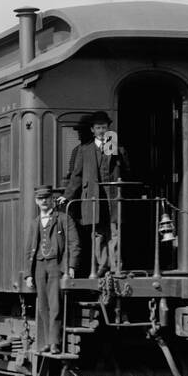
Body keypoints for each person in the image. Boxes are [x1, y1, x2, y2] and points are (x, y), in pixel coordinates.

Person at [25, 185, 81, 376]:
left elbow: (74, 244)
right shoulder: (34, 224)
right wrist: (28, 274)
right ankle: (48, 343)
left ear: (52, 200)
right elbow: (29, 248)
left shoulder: (63, 219)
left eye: (47, 198)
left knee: (56, 305)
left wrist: (71, 267)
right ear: (36, 202)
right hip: (40, 265)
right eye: (40, 199)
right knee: (44, 307)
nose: (44, 202)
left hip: (56, 266)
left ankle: (55, 343)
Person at [65, 111, 128, 276]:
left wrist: (116, 152)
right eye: (98, 127)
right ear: (92, 129)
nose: (102, 130)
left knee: (114, 232)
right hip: (93, 197)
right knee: (98, 233)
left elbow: (127, 170)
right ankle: (103, 265)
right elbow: (76, 176)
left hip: (113, 197)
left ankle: (115, 266)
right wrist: (67, 196)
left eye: (105, 127)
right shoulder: (84, 150)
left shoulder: (115, 146)